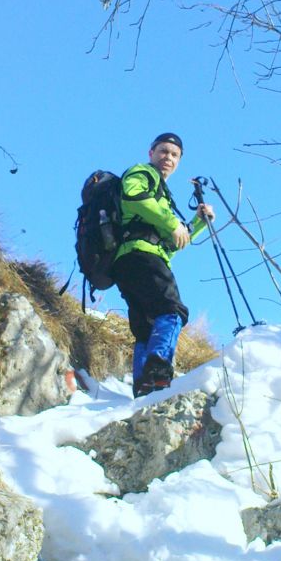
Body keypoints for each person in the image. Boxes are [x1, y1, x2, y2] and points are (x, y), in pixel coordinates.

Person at [112, 132, 215, 397]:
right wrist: (172, 223)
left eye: (174, 154)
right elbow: (132, 195)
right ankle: (157, 369)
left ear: (179, 161)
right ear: (151, 153)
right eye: (163, 151)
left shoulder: (162, 194)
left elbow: (172, 243)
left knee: (146, 325)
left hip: (131, 260)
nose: (168, 157)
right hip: (141, 256)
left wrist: (198, 223)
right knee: (172, 310)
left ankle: (144, 388)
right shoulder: (142, 174)